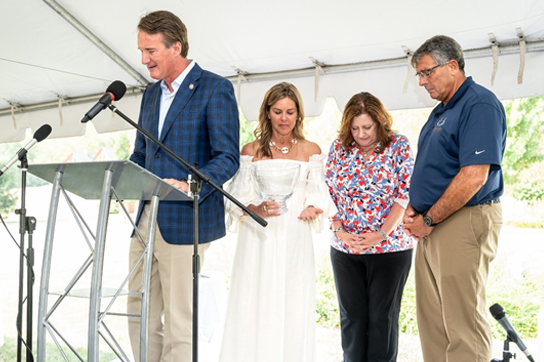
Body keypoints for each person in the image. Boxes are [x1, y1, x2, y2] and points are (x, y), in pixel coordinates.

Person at [128, 10, 239, 362]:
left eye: (151, 51)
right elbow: (141, 153)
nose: (144, 60)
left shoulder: (215, 88)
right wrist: (122, 176)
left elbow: (227, 156)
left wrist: (190, 184)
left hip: (184, 218)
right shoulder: (149, 95)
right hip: (146, 219)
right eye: (141, 51)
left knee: (180, 319)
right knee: (138, 310)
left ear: (175, 47)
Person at [402, 35, 506, 362]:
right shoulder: (440, 112)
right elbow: (432, 169)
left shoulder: (478, 104)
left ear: (452, 66)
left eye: (427, 72)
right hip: (431, 225)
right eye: (419, 75)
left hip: (462, 220)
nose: (422, 82)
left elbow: (474, 175)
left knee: (463, 323)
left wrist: (429, 218)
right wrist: (414, 209)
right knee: (433, 322)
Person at [219, 82, 336, 362]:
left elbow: (320, 194)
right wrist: (255, 207)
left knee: (293, 302)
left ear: (299, 115)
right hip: (259, 236)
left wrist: (312, 207)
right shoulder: (251, 150)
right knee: (254, 300)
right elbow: (234, 198)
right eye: (278, 111)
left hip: (294, 234)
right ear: (267, 113)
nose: (284, 118)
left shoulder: (311, 150)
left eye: (290, 112)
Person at [325, 92, 414, 362]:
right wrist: (340, 231)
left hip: (390, 249)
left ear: (379, 122)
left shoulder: (398, 145)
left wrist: (381, 234)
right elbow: (327, 192)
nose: (361, 134)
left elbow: (404, 193)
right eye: (355, 128)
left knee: (381, 320)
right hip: (346, 250)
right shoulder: (339, 148)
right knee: (352, 319)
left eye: (367, 127)